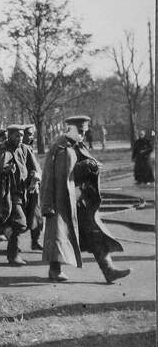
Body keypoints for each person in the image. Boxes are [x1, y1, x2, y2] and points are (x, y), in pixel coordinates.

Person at [42, 115, 131, 283]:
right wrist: (47, 205)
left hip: (80, 202)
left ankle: (109, 270)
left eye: (84, 132)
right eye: (80, 132)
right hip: (62, 202)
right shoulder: (59, 147)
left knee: (95, 233)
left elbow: (81, 169)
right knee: (59, 236)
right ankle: (54, 270)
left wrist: (93, 168)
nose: (83, 135)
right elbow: (51, 177)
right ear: (70, 129)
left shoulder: (77, 146)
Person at [0, 125, 40, 266]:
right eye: (16, 136)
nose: (20, 138)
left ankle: (8, 235)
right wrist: (4, 171)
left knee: (25, 222)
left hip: (24, 193)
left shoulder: (25, 149)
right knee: (20, 223)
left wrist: (35, 176)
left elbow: (34, 168)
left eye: (21, 136)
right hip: (7, 194)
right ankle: (13, 255)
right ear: (10, 136)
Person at [22, 124, 44, 250]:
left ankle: (35, 241)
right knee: (20, 218)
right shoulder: (20, 149)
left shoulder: (29, 148)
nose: (31, 136)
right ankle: (13, 245)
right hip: (23, 188)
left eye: (32, 134)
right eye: (28, 134)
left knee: (37, 215)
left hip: (33, 187)